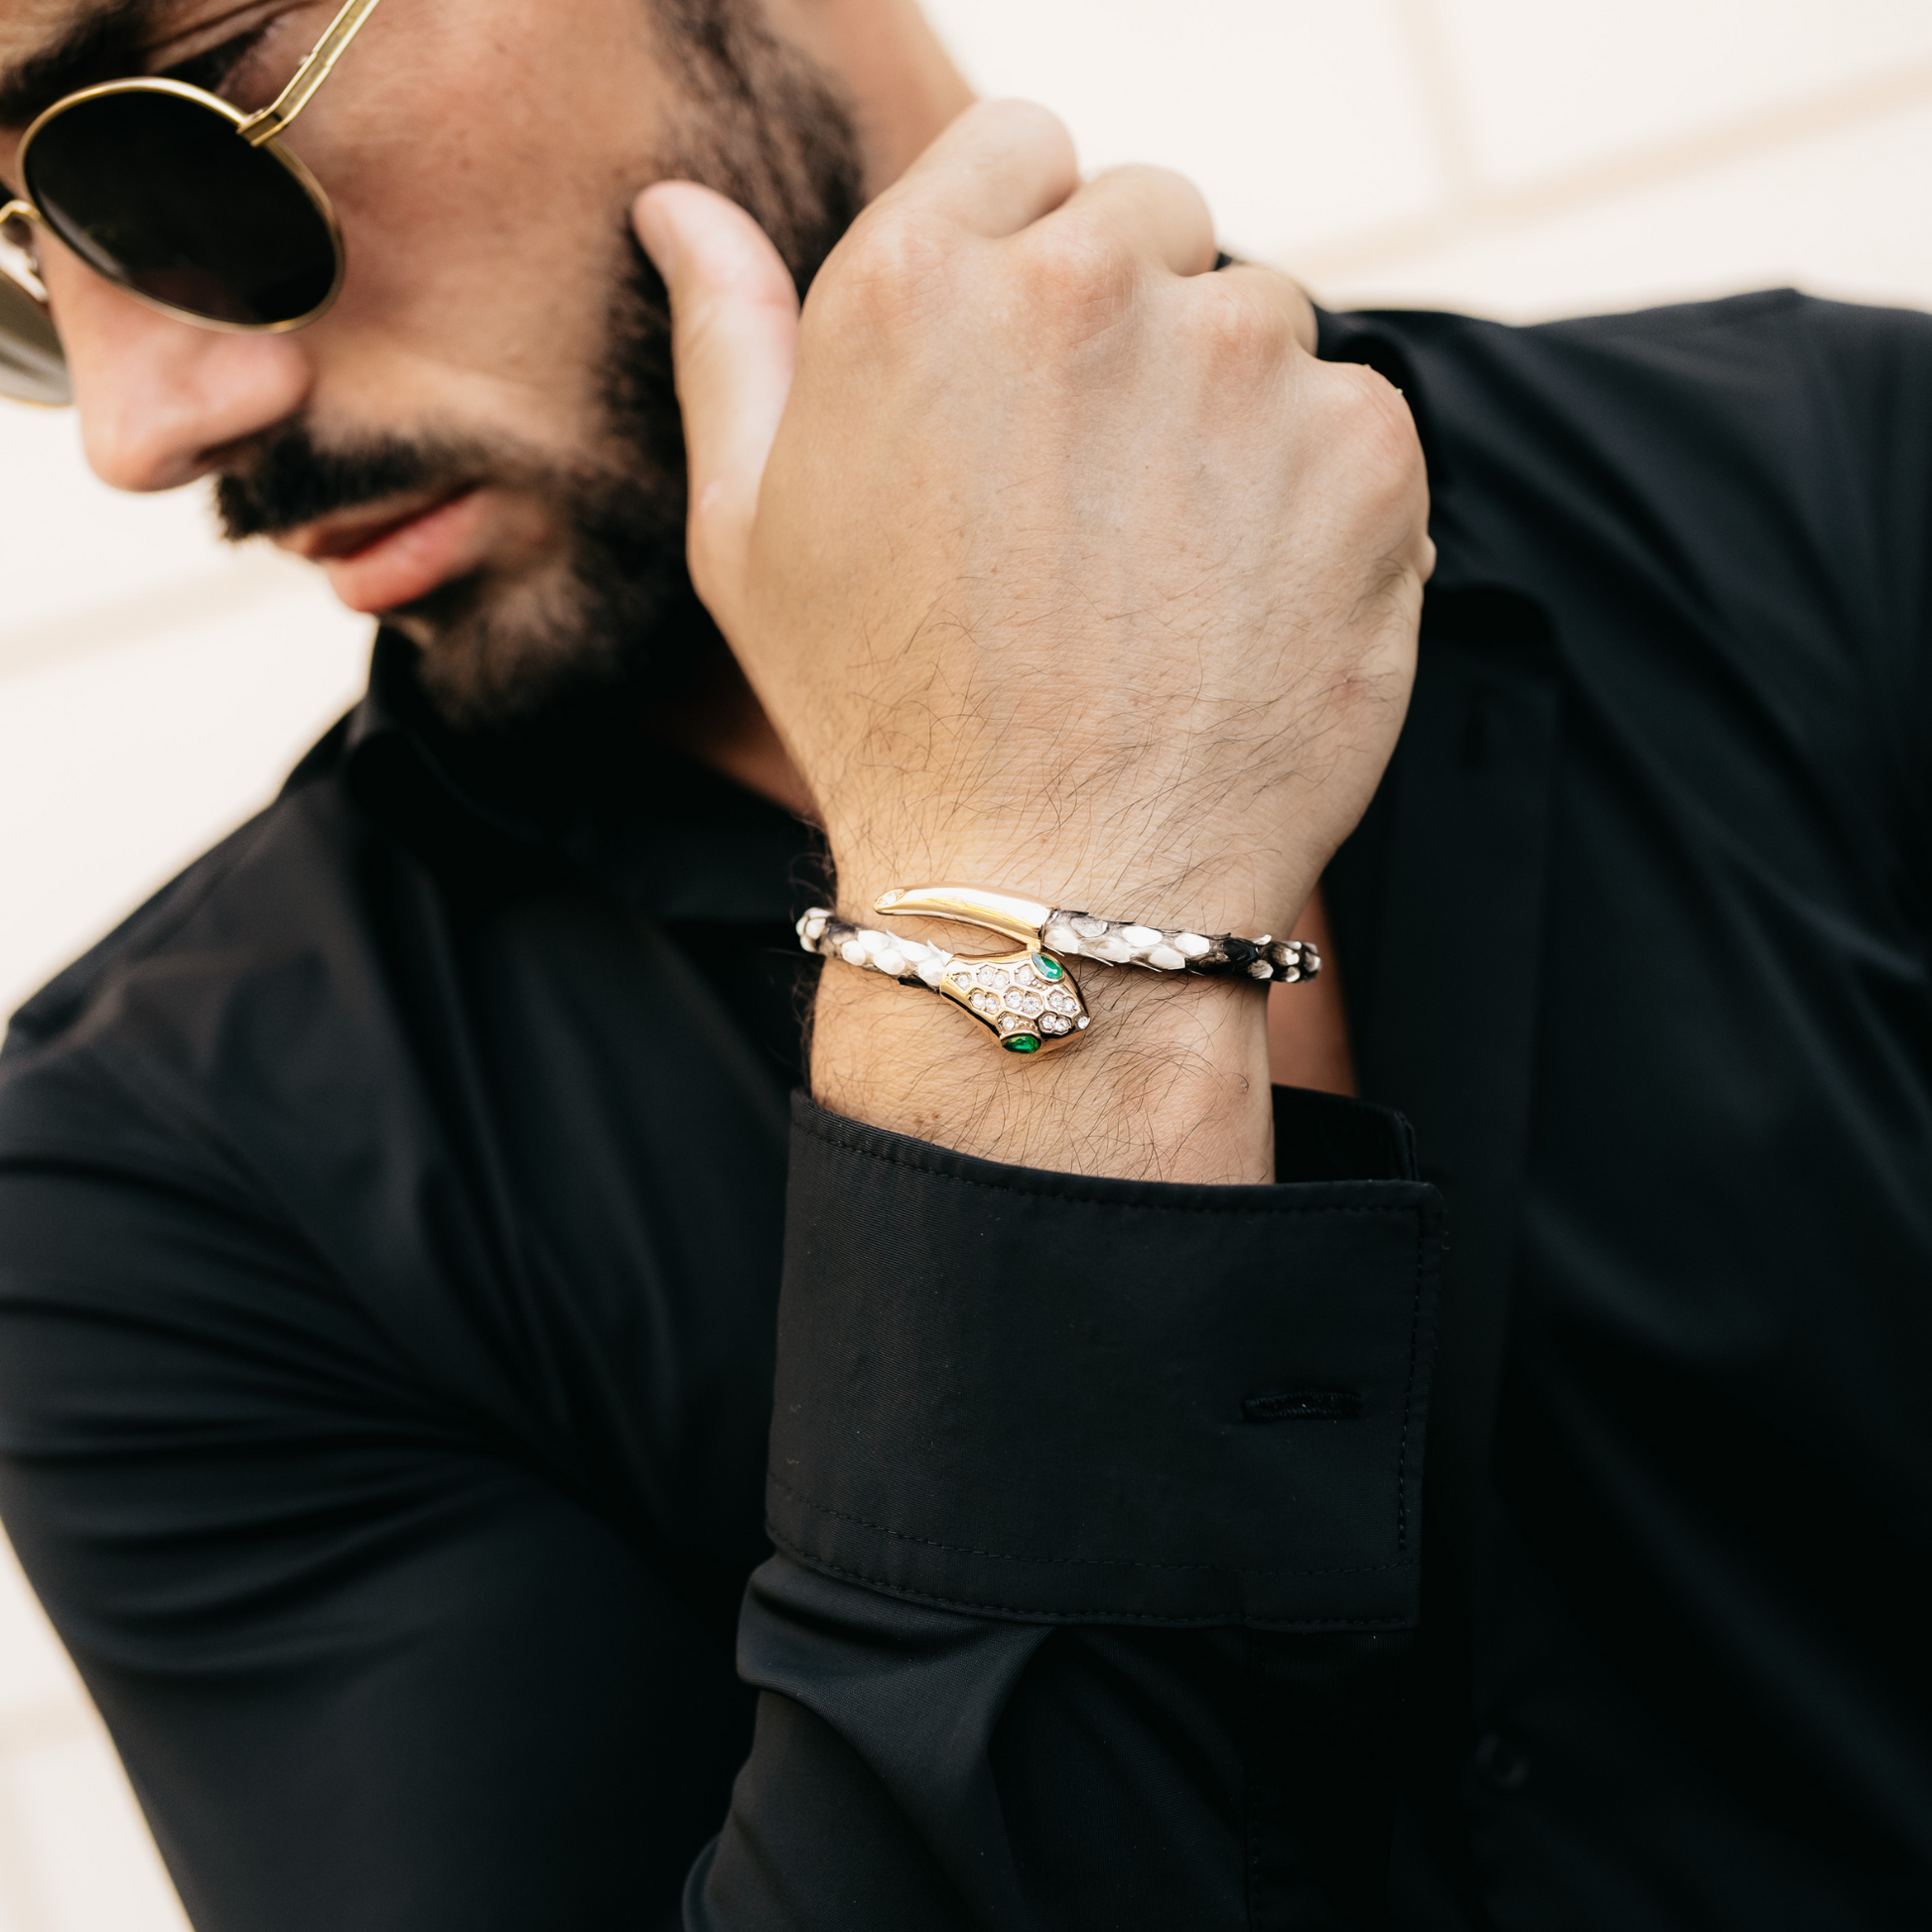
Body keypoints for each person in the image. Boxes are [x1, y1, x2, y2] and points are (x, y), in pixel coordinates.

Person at [0, 0, 1927, 1926]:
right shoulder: (163, 1189)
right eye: (16, 243)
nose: (138, 423)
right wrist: (1034, 891)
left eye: (170, 124)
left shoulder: (1844, 495)